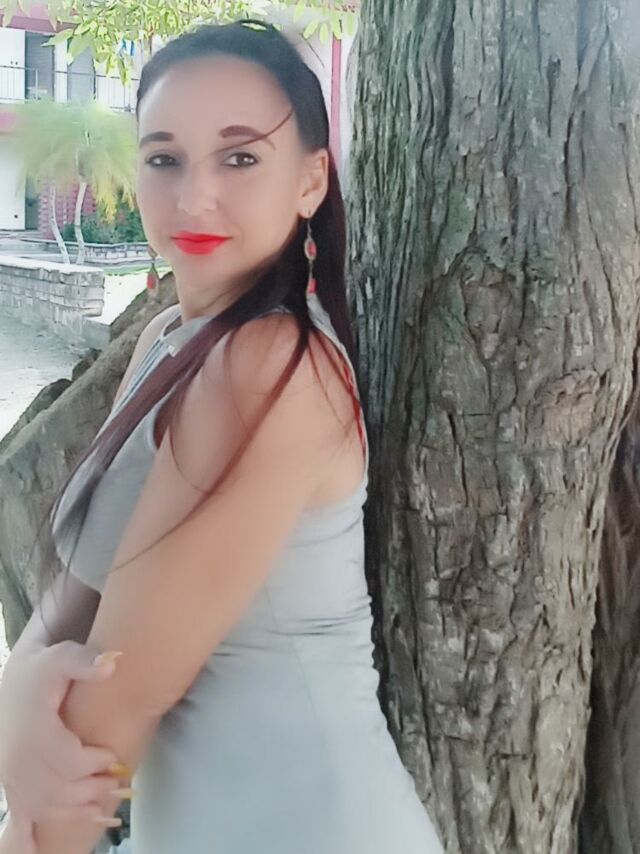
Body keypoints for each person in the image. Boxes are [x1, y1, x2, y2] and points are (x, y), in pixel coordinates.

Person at [0, 20, 444, 854]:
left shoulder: (268, 370)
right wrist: (20, 685)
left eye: (239, 158)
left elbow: (117, 699)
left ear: (311, 180)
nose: (194, 196)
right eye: (165, 158)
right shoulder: (166, 339)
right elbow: (75, 602)